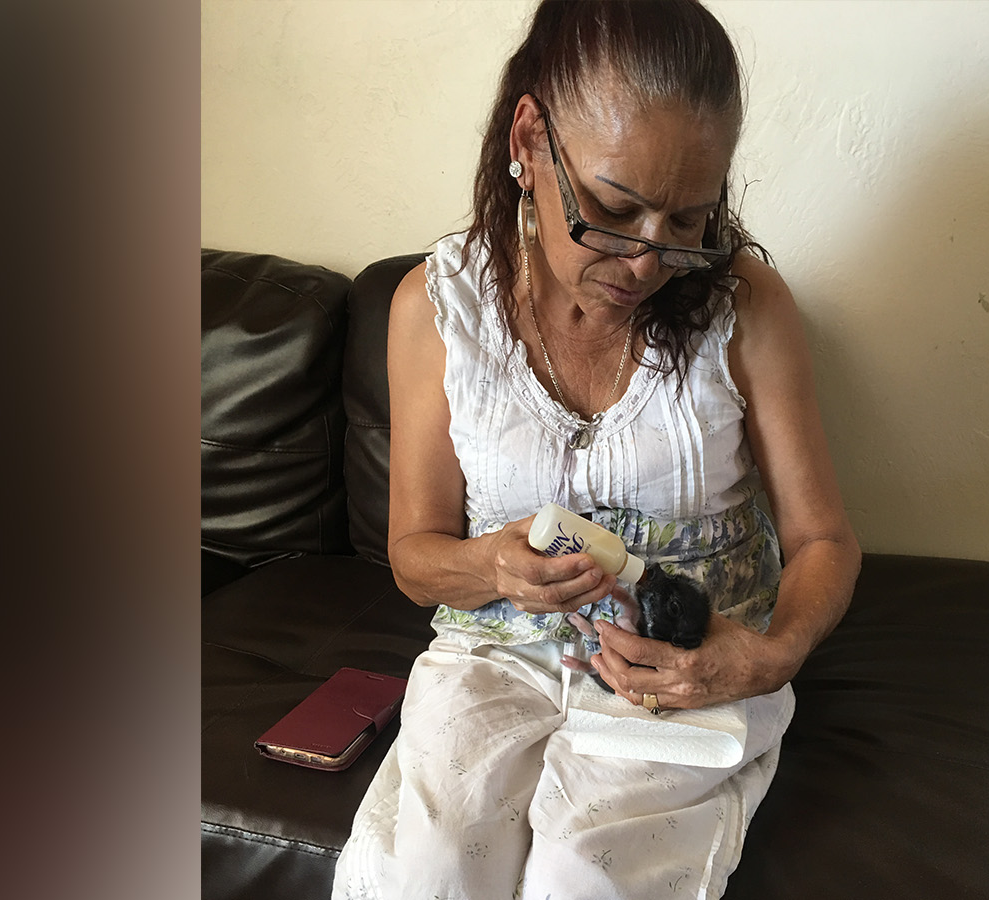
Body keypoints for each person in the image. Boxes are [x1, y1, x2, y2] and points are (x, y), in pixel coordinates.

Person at [332, 2, 860, 897]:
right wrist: (492, 570)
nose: (649, 263)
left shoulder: (748, 311)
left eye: (688, 222)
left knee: (588, 877)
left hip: (687, 670)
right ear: (530, 138)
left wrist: (770, 655)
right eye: (616, 209)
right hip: (494, 657)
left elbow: (823, 541)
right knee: (424, 874)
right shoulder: (436, 309)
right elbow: (415, 558)